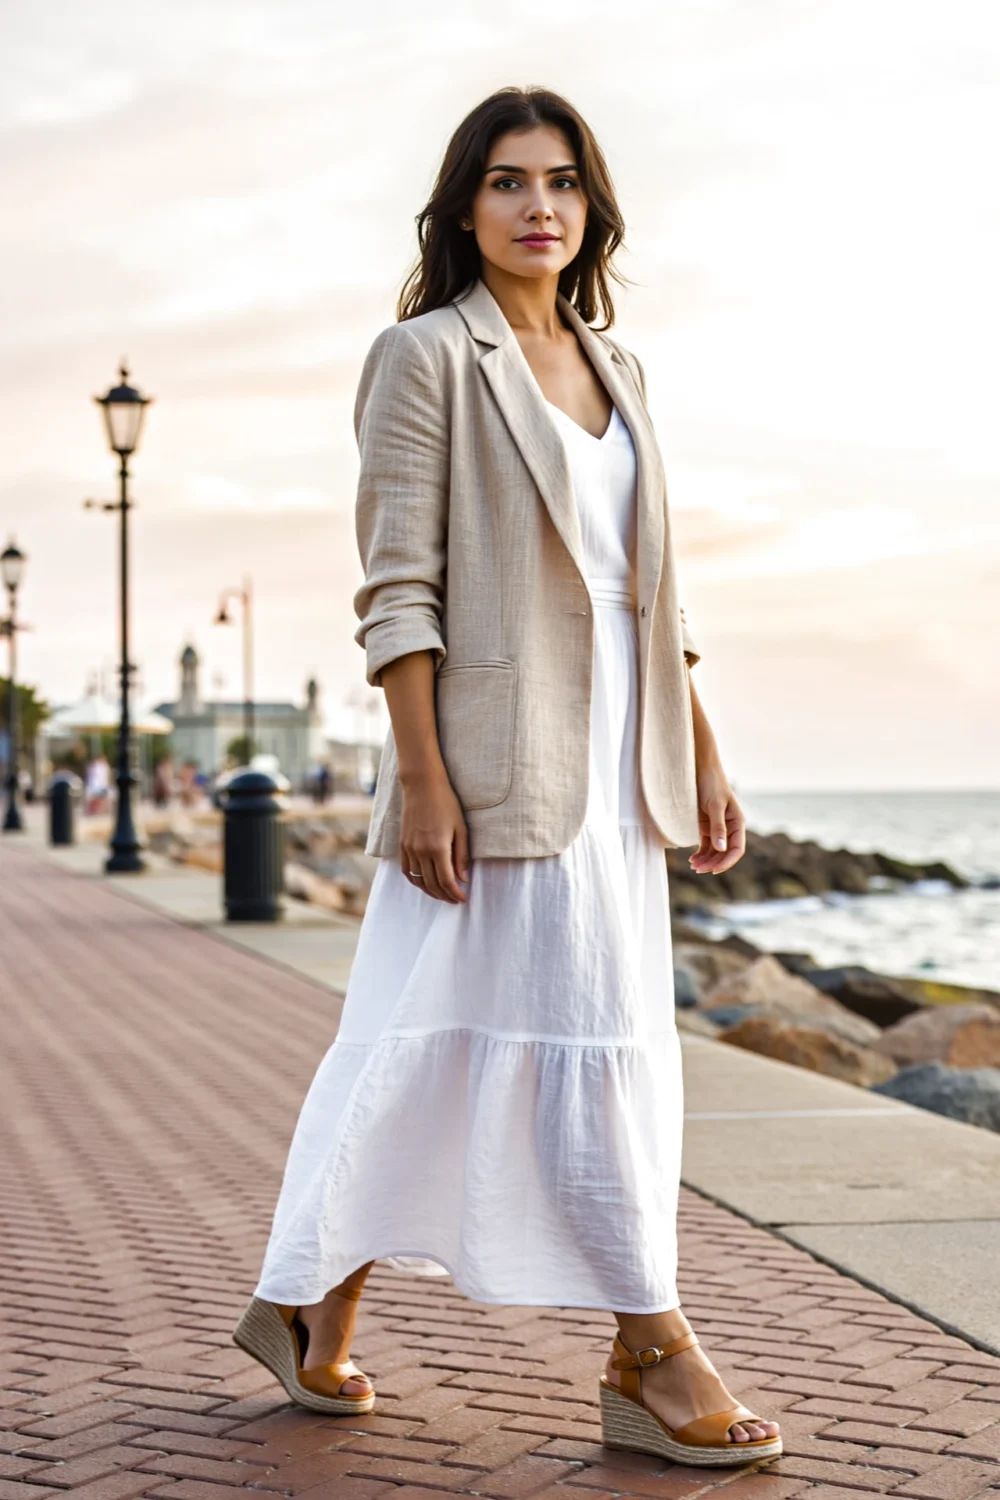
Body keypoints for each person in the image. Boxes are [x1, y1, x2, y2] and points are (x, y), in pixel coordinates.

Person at [234, 86, 781, 1467]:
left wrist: (702, 750)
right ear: (463, 207)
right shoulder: (425, 356)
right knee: (536, 1034)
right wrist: (424, 779)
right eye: (507, 180)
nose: (540, 205)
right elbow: (396, 590)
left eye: (563, 181)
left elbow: (652, 591)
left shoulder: (620, 367)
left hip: (623, 762)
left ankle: (308, 1300)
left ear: (593, 207)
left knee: (477, 1035)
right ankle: (651, 1347)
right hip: (494, 767)